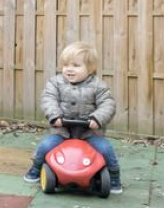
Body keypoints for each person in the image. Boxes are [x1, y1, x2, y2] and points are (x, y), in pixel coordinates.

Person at [23, 41, 122, 194]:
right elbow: (48, 99)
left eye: (76, 65)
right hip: (62, 131)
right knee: (45, 145)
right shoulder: (55, 83)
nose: (69, 69)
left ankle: (114, 177)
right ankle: (35, 169)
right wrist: (55, 115)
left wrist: (97, 119)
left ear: (90, 68)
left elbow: (108, 104)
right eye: (66, 65)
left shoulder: (98, 86)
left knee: (105, 148)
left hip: (89, 133)